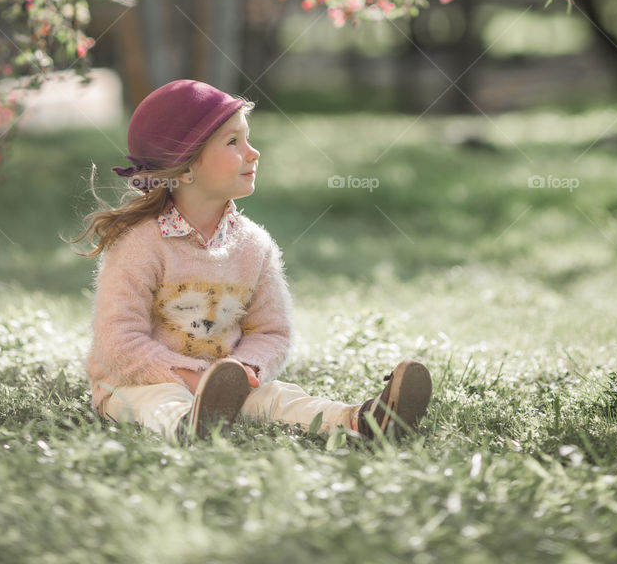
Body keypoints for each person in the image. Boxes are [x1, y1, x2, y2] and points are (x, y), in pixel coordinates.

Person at [73, 79, 432, 442]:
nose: (252, 152)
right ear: (184, 169)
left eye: (247, 139)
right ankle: (187, 426)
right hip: (135, 383)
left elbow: (271, 330)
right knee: (161, 399)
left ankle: (363, 420)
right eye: (233, 142)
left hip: (223, 390)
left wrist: (243, 372)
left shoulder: (254, 246)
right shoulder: (141, 243)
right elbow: (118, 340)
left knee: (279, 397)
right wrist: (191, 378)